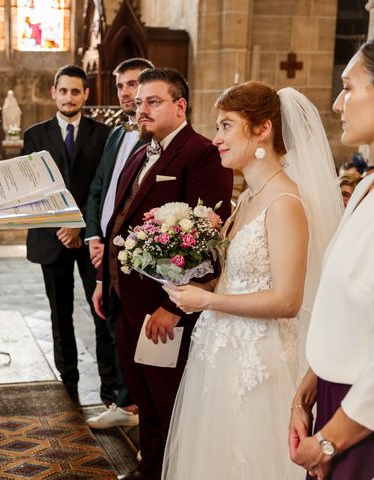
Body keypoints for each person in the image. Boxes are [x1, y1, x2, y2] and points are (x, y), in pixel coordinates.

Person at [160, 82, 343, 479]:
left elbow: (287, 300)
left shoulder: (285, 203)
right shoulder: (248, 197)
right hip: (220, 353)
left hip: (258, 362)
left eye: (226, 126)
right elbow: (236, 281)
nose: (216, 138)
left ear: (263, 129)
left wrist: (208, 302)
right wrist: (197, 288)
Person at [93, 68, 233, 479]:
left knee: (169, 401)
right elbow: (119, 218)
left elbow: (206, 238)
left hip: (164, 308)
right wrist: (106, 281)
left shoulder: (201, 152)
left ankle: (173, 470)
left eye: (152, 102)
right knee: (144, 399)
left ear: (179, 105)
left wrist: (173, 306)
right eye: (138, 103)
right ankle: (150, 468)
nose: (142, 110)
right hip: (124, 298)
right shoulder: (141, 151)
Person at [290, 40, 374, 480]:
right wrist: (311, 382)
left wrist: (329, 441)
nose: (338, 102)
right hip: (334, 394)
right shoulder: (364, 188)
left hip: (362, 421)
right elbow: (345, 305)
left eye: (349, 87)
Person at [21, 65, 115, 403]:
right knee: (59, 314)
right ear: (53, 92)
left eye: (76, 91)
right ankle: (68, 382)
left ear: (86, 95)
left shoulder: (105, 135)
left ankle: (109, 386)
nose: (69, 97)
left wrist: (81, 227)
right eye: (64, 91)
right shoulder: (35, 135)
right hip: (52, 238)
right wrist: (61, 226)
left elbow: (104, 189)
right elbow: (31, 190)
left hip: (91, 239)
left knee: (101, 311)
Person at [84, 57, 154, 429]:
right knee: (109, 325)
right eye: (122, 86)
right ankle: (119, 400)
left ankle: (133, 405)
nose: (127, 93)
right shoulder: (115, 134)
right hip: (104, 245)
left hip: (133, 250)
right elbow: (100, 187)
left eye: (135, 84)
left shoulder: (155, 137)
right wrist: (95, 235)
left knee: (128, 329)